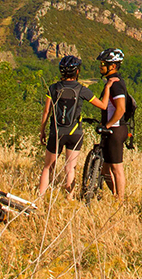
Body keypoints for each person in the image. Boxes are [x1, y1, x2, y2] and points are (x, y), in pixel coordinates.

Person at [37, 55, 110, 197]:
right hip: (74, 133)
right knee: (70, 168)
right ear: (77, 72)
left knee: (48, 167)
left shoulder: (53, 88)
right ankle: (69, 198)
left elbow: (46, 111)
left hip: (56, 132)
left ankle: (40, 197)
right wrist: (107, 88)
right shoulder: (82, 89)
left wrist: (42, 131)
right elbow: (103, 105)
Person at [96, 48, 130, 199]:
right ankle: (116, 195)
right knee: (105, 169)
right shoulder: (111, 83)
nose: (100, 66)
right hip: (111, 129)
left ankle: (120, 201)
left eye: (103, 63)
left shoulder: (116, 85)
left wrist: (108, 125)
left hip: (115, 129)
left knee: (116, 168)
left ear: (113, 66)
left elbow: (121, 109)